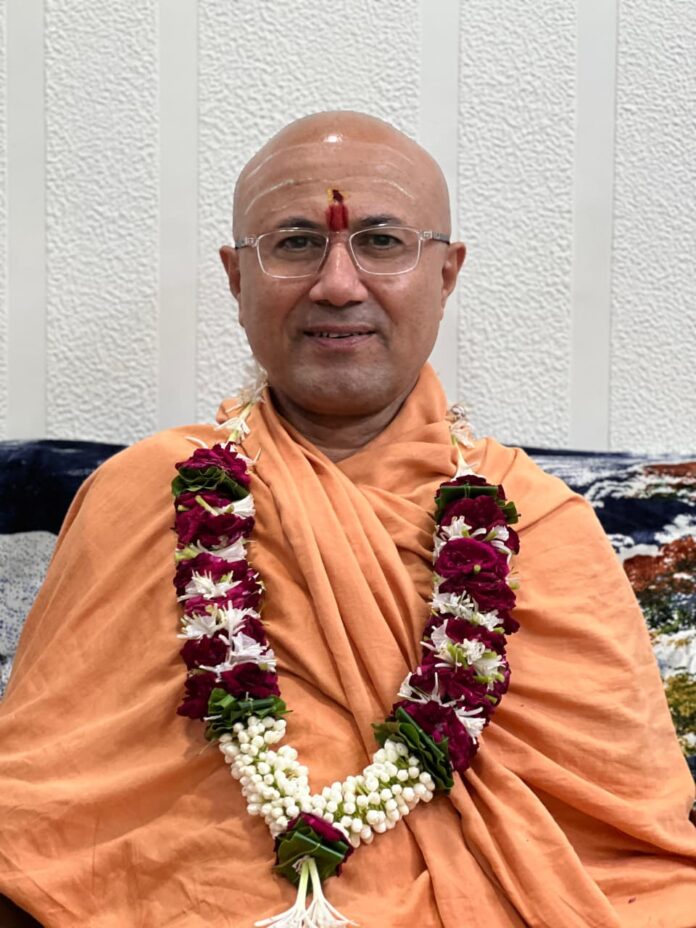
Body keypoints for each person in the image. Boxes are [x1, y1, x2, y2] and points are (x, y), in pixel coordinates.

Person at [0, 111, 694, 928]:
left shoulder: (542, 522)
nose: (337, 284)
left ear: (446, 273)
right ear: (235, 278)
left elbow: (632, 844)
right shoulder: (143, 493)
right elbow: (43, 811)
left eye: (382, 241)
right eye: (295, 243)